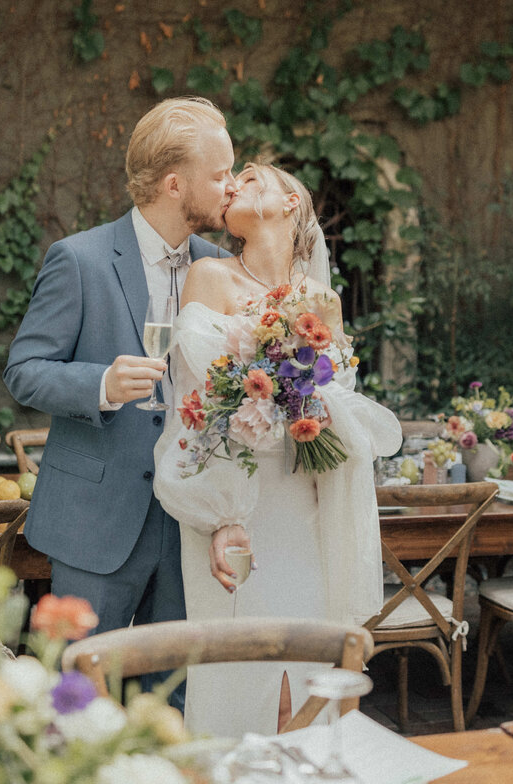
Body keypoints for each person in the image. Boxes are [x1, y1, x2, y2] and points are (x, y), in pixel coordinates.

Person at [153, 162, 402, 738]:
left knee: (311, 682)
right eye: (230, 180)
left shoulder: (324, 300)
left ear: (292, 202)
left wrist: (307, 399)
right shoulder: (209, 277)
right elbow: (194, 411)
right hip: (237, 506)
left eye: (253, 177)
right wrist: (221, 517)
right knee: (243, 680)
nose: (236, 183)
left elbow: (340, 412)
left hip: (308, 510)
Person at [4, 98, 237, 651]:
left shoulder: (224, 270)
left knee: (174, 692)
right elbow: (24, 371)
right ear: (176, 184)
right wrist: (100, 386)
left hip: (189, 520)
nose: (231, 186)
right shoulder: (78, 260)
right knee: (81, 688)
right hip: (97, 523)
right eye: (220, 173)